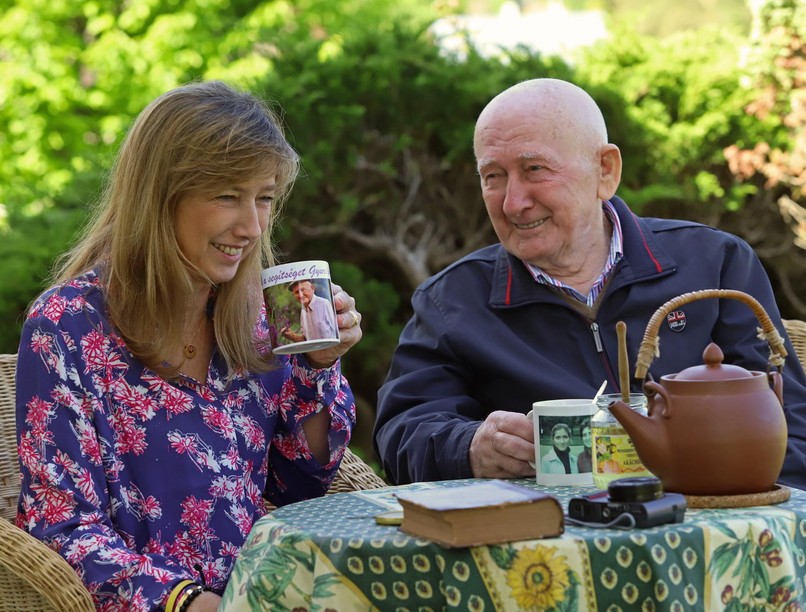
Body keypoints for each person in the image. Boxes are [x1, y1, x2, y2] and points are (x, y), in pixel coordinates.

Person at [15, 81, 364, 612]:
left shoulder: (257, 321)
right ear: (159, 197)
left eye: (264, 198)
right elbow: (64, 528)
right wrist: (195, 605)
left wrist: (318, 365)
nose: (251, 226)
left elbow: (301, 482)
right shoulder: (68, 326)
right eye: (227, 195)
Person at [373, 77, 806, 489]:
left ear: (605, 170)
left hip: (711, 527)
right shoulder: (452, 300)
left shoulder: (716, 265)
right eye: (493, 177)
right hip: (542, 547)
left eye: (535, 169)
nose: (513, 202)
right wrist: (468, 448)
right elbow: (401, 432)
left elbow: (789, 420)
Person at [281, 278, 338, 343]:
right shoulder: (303, 311)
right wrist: (292, 336)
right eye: (296, 292)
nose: (300, 295)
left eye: (303, 290)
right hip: (316, 352)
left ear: (312, 288)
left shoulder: (324, 304)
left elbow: (336, 334)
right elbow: (306, 340)